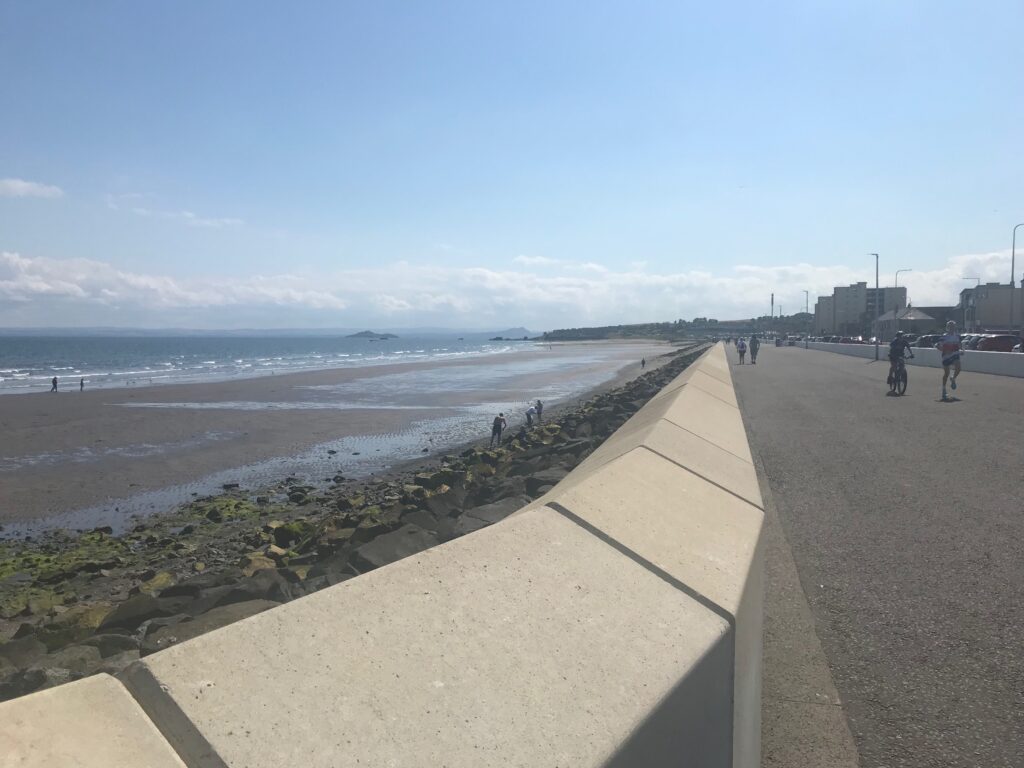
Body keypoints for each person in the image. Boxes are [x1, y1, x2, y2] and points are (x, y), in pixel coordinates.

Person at [936, 321, 962, 400]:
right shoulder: (944, 336)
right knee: (946, 373)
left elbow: (959, 345)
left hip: (955, 355)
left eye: (953, 326)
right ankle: (944, 389)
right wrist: (943, 350)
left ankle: (953, 378)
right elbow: (937, 346)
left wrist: (961, 350)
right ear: (947, 328)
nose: (952, 328)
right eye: (950, 327)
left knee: (958, 367)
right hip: (946, 357)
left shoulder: (957, 336)